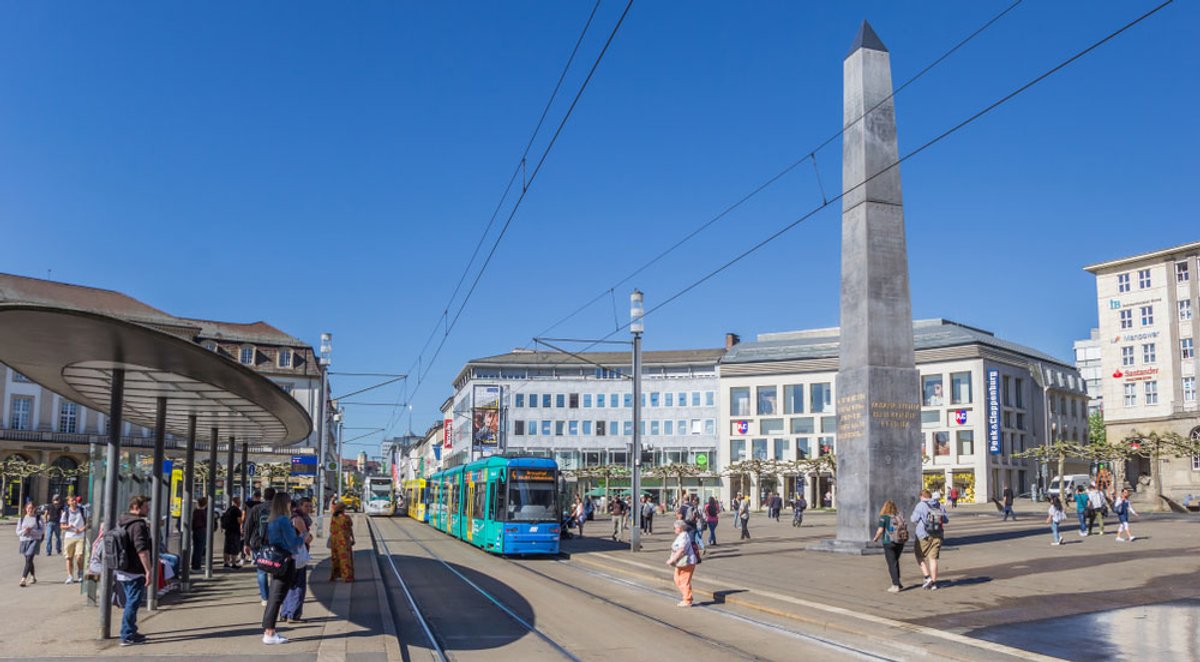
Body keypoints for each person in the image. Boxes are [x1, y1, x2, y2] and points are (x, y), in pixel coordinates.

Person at [262, 493, 303, 645]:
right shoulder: (284, 521)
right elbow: (293, 543)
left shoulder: (272, 520)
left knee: (274, 595)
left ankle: (269, 630)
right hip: (285, 561)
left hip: (276, 561)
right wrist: (302, 536)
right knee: (277, 597)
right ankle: (270, 632)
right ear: (285, 504)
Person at [115, 495, 153, 646]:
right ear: (136, 507)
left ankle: (130, 630)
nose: (148, 509)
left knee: (131, 600)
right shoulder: (138, 525)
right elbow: (141, 549)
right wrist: (148, 570)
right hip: (134, 569)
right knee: (133, 602)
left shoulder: (123, 521)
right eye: (145, 506)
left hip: (123, 567)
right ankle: (127, 634)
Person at [280, 497, 314, 623]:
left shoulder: (282, 518)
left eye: (310, 506)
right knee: (297, 585)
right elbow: (306, 538)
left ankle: (284, 613)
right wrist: (310, 537)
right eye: (306, 506)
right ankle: (293, 614)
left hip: (285, 555)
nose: (309, 509)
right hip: (296, 555)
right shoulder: (297, 519)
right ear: (296, 507)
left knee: (287, 585)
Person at [244, 487, 277, 607]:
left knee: (261, 571)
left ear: (264, 496)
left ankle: (265, 597)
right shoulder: (278, 509)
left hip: (258, 542)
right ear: (274, 496)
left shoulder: (256, 508)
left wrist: (246, 543)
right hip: (275, 543)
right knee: (276, 569)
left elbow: (248, 527)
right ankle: (275, 596)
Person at [911, 489, 947, 590]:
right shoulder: (939, 505)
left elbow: (913, 519)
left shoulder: (921, 505)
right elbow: (946, 519)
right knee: (933, 559)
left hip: (924, 535)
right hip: (938, 534)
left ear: (921, 497)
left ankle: (927, 577)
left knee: (919, 556)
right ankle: (934, 583)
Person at [871, 500, 906, 592]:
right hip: (900, 541)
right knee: (895, 562)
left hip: (889, 542)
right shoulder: (899, 516)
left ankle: (895, 585)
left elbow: (880, 530)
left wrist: (875, 538)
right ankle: (898, 582)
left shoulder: (884, 518)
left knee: (892, 564)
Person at [665, 519, 699, 607]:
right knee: (677, 580)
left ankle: (687, 599)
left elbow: (681, 550)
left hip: (687, 562)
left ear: (680, 528)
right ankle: (687, 596)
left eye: (675, 528)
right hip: (680, 562)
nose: (674, 529)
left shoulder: (684, 536)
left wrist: (672, 560)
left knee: (684, 581)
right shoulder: (681, 535)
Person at [61, 495, 88, 583]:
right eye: (72, 500)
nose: (74, 502)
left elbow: (89, 522)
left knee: (79, 557)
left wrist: (81, 529)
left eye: (75, 500)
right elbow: (61, 525)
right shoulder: (66, 512)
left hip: (80, 536)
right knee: (69, 557)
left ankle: (80, 573)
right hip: (69, 536)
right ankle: (70, 576)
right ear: (68, 502)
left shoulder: (82, 511)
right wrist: (68, 526)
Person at [17, 501, 44, 587]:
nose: (30, 510)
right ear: (26, 509)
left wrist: (31, 531)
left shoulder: (38, 518)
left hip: (34, 540)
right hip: (24, 541)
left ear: (34, 509)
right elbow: (18, 532)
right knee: (28, 560)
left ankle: (23, 579)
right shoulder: (21, 519)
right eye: (28, 508)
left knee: (29, 558)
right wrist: (25, 531)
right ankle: (33, 576)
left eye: (32, 508)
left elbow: (41, 531)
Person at [328, 501, 355, 582]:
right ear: (343, 509)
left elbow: (331, 529)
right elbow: (350, 528)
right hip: (344, 540)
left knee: (336, 558)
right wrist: (353, 538)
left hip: (334, 540)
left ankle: (335, 575)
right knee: (345, 558)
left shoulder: (333, 517)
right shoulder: (346, 518)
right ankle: (347, 576)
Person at [221, 496, 243, 569]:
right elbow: (239, 521)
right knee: (234, 548)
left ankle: (226, 563)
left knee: (227, 547)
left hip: (228, 531)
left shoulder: (229, 509)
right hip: (235, 531)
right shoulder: (237, 511)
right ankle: (233, 564)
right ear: (238, 502)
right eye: (239, 501)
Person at [190, 497, 209, 571]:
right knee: (199, 549)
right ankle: (197, 566)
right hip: (201, 530)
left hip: (196, 530)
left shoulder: (195, 511)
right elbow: (206, 522)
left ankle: (194, 564)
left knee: (196, 548)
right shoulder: (203, 512)